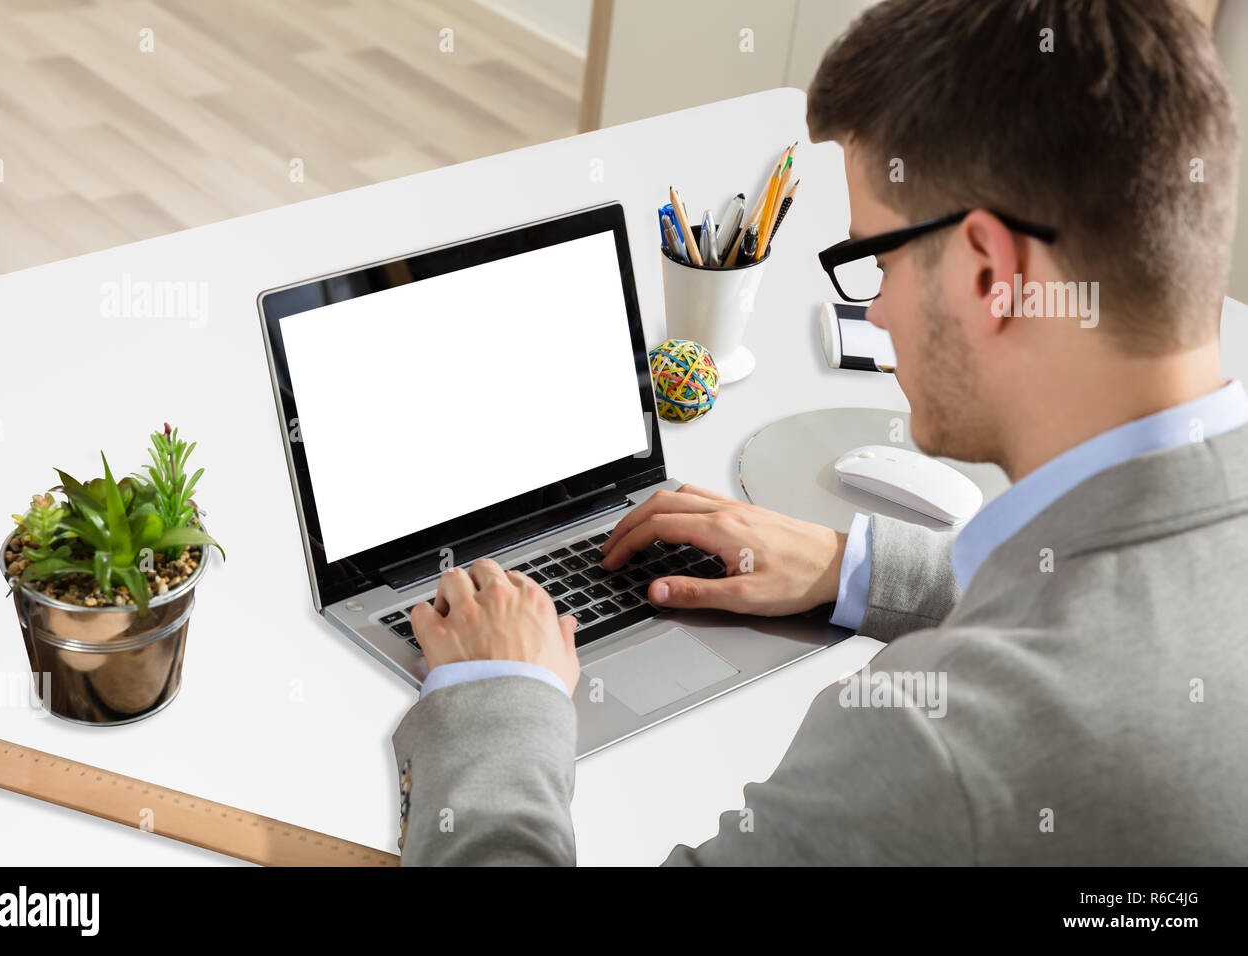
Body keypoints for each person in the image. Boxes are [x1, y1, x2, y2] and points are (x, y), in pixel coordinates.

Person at [393, 0, 1247, 864]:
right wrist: (858, 568)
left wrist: (500, 696)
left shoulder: (934, 745)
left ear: (992, 272)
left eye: (875, 261)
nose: (872, 310)